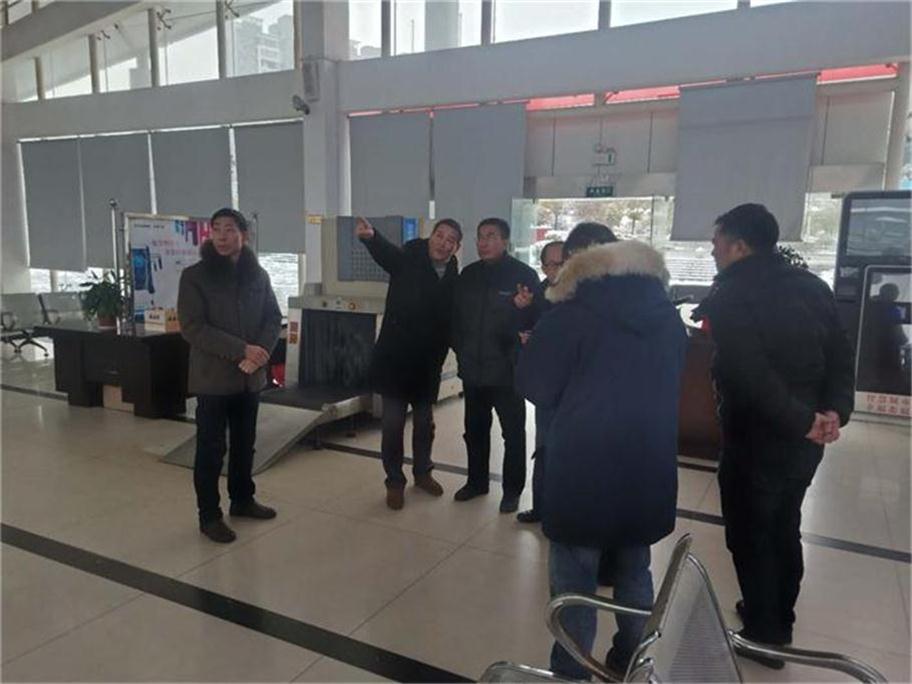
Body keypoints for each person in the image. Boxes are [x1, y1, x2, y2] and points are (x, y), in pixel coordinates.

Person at [516, 222, 686, 680]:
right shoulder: (665, 313)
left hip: (582, 468)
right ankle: (632, 658)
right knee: (635, 569)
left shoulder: (569, 315)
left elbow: (535, 386)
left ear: (576, 261)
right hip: (647, 464)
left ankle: (572, 672)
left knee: (574, 581)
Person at [694, 203, 855, 668]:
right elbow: (841, 355)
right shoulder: (811, 285)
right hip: (806, 440)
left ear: (740, 246)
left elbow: (750, 376)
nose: (712, 250)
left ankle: (764, 636)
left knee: (751, 532)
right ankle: (778, 615)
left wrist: (803, 420)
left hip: (757, 437)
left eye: (717, 242)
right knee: (785, 524)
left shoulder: (733, 294)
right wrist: (832, 412)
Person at [178, 208, 283, 544]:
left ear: (244, 235)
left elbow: (273, 317)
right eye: (216, 230)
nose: (222, 236)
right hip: (213, 379)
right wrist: (243, 350)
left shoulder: (258, 275)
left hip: (249, 378)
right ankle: (209, 515)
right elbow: (193, 327)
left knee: (244, 444)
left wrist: (260, 353)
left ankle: (242, 499)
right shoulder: (195, 277)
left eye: (229, 230)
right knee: (211, 449)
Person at [355, 216, 462, 510]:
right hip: (395, 358)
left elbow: (453, 321)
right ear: (430, 237)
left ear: (456, 247)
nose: (443, 243)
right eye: (440, 235)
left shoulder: (454, 277)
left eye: (451, 240)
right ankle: (394, 481)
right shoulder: (408, 258)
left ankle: (423, 473)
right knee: (392, 424)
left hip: (427, 363)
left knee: (425, 423)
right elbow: (387, 254)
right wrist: (371, 237)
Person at [451, 217, 542, 513]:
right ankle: (476, 482)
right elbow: (457, 318)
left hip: (506, 372)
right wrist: (460, 349)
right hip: (473, 369)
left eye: (491, 236)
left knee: (513, 434)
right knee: (474, 430)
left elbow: (535, 322)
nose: (483, 242)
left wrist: (522, 311)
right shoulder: (469, 274)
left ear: (505, 241)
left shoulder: (523, 275)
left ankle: (512, 491)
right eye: (480, 237)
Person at [517, 239, 564, 524]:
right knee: (544, 447)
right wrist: (522, 313)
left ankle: (564, 511)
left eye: (563, 262)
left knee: (570, 451)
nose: (558, 268)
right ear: (544, 267)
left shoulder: (585, 295)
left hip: (578, 388)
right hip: (548, 386)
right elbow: (524, 327)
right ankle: (541, 508)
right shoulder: (537, 293)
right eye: (552, 264)